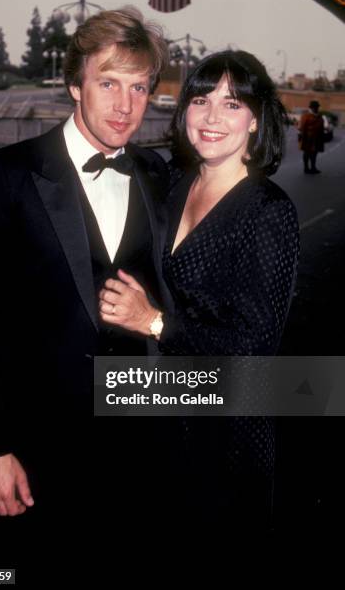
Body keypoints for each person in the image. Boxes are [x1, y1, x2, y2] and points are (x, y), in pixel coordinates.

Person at [0, 6, 172, 570]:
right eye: (108, 83)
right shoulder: (9, 172)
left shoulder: (157, 173)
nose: (126, 106)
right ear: (75, 84)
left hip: (138, 443)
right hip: (38, 443)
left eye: (140, 87)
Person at [99, 50, 300, 530]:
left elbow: (254, 348)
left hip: (224, 440)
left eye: (233, 104)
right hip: (161, 419)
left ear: (255, 120)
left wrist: (155, 321)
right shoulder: (173, 184)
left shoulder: (268, 211)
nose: (212, 117)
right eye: (201, 100)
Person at [298, 99, 324, 174]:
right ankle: (306, 168)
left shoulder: (319, 116)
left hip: (317, 138)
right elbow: (302, 127)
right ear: (311, 108)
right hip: (307, 138)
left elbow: (321, 127)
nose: (316, 108)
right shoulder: (306, 116)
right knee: (307, 153)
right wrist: (302, 137)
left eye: (317, 107)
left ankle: (313, 167)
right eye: (314, 107)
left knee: (314, 153)